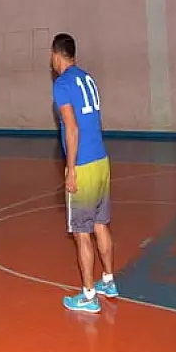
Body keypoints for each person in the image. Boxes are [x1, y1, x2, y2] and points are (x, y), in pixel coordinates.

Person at [51, 33, 116, 313]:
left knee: (81, 233)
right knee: (101, 224)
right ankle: (109, 281)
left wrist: (71, 169)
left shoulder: (62, 84)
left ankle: (89, 296)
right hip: (102, 160)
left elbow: (72, 128)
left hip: (84, 164)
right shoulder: (87, 78)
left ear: (56, 55)